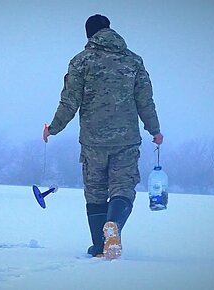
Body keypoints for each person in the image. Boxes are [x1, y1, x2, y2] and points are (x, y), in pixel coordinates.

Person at [43, 14, 163, 259]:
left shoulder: (81, 61)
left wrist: (53, 128)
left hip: (92, 141)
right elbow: (145, 100)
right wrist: (155, 130)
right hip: (126, 140)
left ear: (89, 34)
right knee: (123, 188)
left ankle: (99, 245)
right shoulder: (133, 61)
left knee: (96, 192)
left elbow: (69, 101)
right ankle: (114, 228)